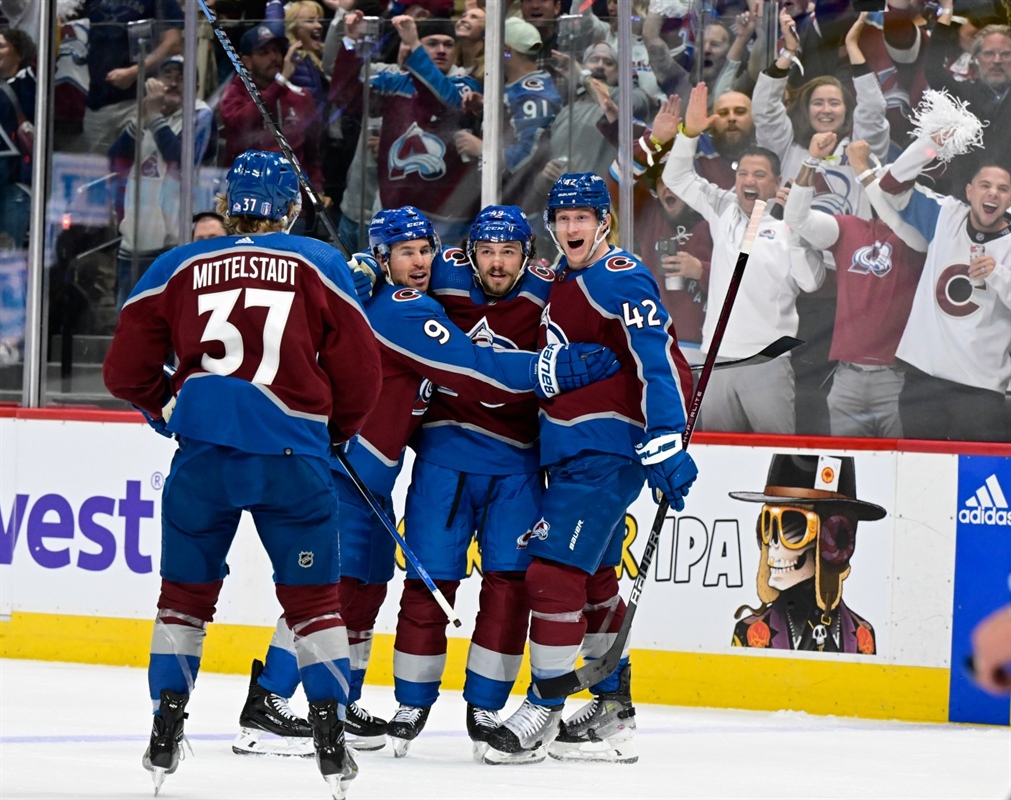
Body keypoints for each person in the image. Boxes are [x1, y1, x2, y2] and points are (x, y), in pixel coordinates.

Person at [233, 205, 620, 758]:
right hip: (335, 472)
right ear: (386, 256)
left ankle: (338, 705)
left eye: (424, 250)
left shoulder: (402, 293)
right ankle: (268, 702)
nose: (418, 263)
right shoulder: (400, 308)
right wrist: (555, 369)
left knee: (364, 590)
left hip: (369, 482)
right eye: (404, 252)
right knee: (335, 591)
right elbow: (468, 364)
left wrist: (361, 265)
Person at [102, 150, 383, 798]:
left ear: (227, 207)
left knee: (183, 600)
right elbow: (363, 375)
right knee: (314, 605)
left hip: (203, 458)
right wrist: (332, 434)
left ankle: (164, 730)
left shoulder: (180, 264)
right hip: (294, 460)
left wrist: (168, 409)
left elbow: (122, 370)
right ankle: (329, 740)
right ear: (290, 208)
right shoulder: (320, 262)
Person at [484, 172, 698, 766]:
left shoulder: (620, 275)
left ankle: (545, 706)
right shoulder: (566, 279)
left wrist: (663, 440)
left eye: (584, 216)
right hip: (572, 450)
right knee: (597, 580)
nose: (572, 227)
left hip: (604, 452)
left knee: (551, 576)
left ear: (605, 220)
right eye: (563, 217)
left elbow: (654, 355)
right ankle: (612, 709)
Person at [386, 206, 559, 759]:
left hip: (518, 467)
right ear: (471, 252)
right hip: (444, 461)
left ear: (526, 254)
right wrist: (364, 266)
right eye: (487, 251)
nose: (497, 263)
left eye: (509, 252)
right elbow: (391, 267)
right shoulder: (445, 273)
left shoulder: (547, 291)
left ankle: (486, 704)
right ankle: (411, 702)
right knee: (429, 584)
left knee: (509, 590)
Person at [662, 83, 825, 434]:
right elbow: (674, 177)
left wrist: (794, 227)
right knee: (718, 461)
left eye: (759, 175)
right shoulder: (725, 209)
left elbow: (812, 281)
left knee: (774, 461)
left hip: (767, 362)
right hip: (716, 360)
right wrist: (689, 133)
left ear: (778, 181)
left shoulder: (790, 226)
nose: (748, 181)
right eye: (742, 174)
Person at [783, 134, 926, 438]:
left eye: (894, 186)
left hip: (895, 379)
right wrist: (811, 161)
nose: (887, 191)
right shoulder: (849, 227)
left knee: (898, 471)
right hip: (846, 376)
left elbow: (901, 223)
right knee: (844, 472)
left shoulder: (919, 237)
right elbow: (797, 218)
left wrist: (865, 170)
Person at [875, 135, 1011, 443]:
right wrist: (931, 143)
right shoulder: (945, 215)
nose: (993, 193)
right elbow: (892, 185)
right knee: (918, 480)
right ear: (969, 191)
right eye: (985, 185)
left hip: (980, 391)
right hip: (923, 381)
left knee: (975, 484)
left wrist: (998, 274)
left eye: (1003, 189)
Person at [330, 12, 482, 245]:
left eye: (448, 44)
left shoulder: (465, 84)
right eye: (432, 43)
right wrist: (352, 42)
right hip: (395, 210)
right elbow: (346, 97)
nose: (442, 49)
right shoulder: (397, 82)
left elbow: (444, 102)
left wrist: (414, 45)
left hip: (444, 218)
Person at [730, 453, 886, 653]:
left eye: (792, 526)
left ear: (835, 542)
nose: (774, 545)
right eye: (768, 526)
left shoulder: (863, 636)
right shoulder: (749, 633)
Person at [752, 10, 889, 218]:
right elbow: (765, 109)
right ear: (807, 110)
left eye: (834, 103)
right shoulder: (786, 149)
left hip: (847, 248)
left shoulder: (861, 152)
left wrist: (853, 46)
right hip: (789, 246)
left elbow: (873, 109)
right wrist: (789, 52)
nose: (826, 110)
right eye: (818, 103)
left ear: (846, 110)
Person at [108, 55, 216, 307]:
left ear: (195, 88)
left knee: (170, 323)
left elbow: (180, 159)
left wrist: (154, 116)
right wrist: (146, 115)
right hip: (135, 238)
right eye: (167, 76)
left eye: (182, 78)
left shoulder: (200, 114)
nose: (173, 83)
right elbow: (116, 158)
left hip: (176, 242)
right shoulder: (146, 114)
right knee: (129, 321)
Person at [219, 20, 324, 229]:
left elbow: (312, 155)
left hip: (292, 209)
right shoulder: (235, 93)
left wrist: (318, 189)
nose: (274, 58)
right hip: (245, 210)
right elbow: (240, 123)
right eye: (264, 52)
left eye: (277, 51)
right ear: (247, 61)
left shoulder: (301, 97)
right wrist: (279, 84)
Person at [453, 18, 561, 215]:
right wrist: (488, 107)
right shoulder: (519, 87)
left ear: (505, 49)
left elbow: (531, 152)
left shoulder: (531, 96)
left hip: (524, 208)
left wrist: (482, 150)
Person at [81, 0, 183, 155]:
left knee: (138, 169)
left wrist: (134, 72)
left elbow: (173, 42)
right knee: (97, 171)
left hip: (137, 100)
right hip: (97, 101)